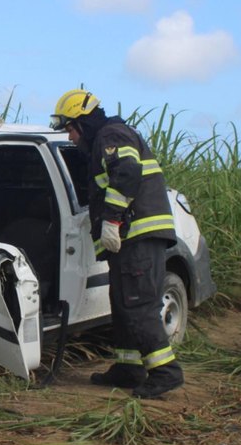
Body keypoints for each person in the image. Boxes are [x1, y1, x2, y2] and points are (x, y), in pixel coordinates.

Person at [50, 89, 184, 399]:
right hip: (130, 239)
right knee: (123, 305)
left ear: (82, 123)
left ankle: (165, 372)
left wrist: (111, 219)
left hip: (137, 234)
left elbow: (126, 173)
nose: (70, 138)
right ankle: (128, 368)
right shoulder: (106, 137)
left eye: (70, 129)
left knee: (138, 306)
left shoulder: (112, 134)